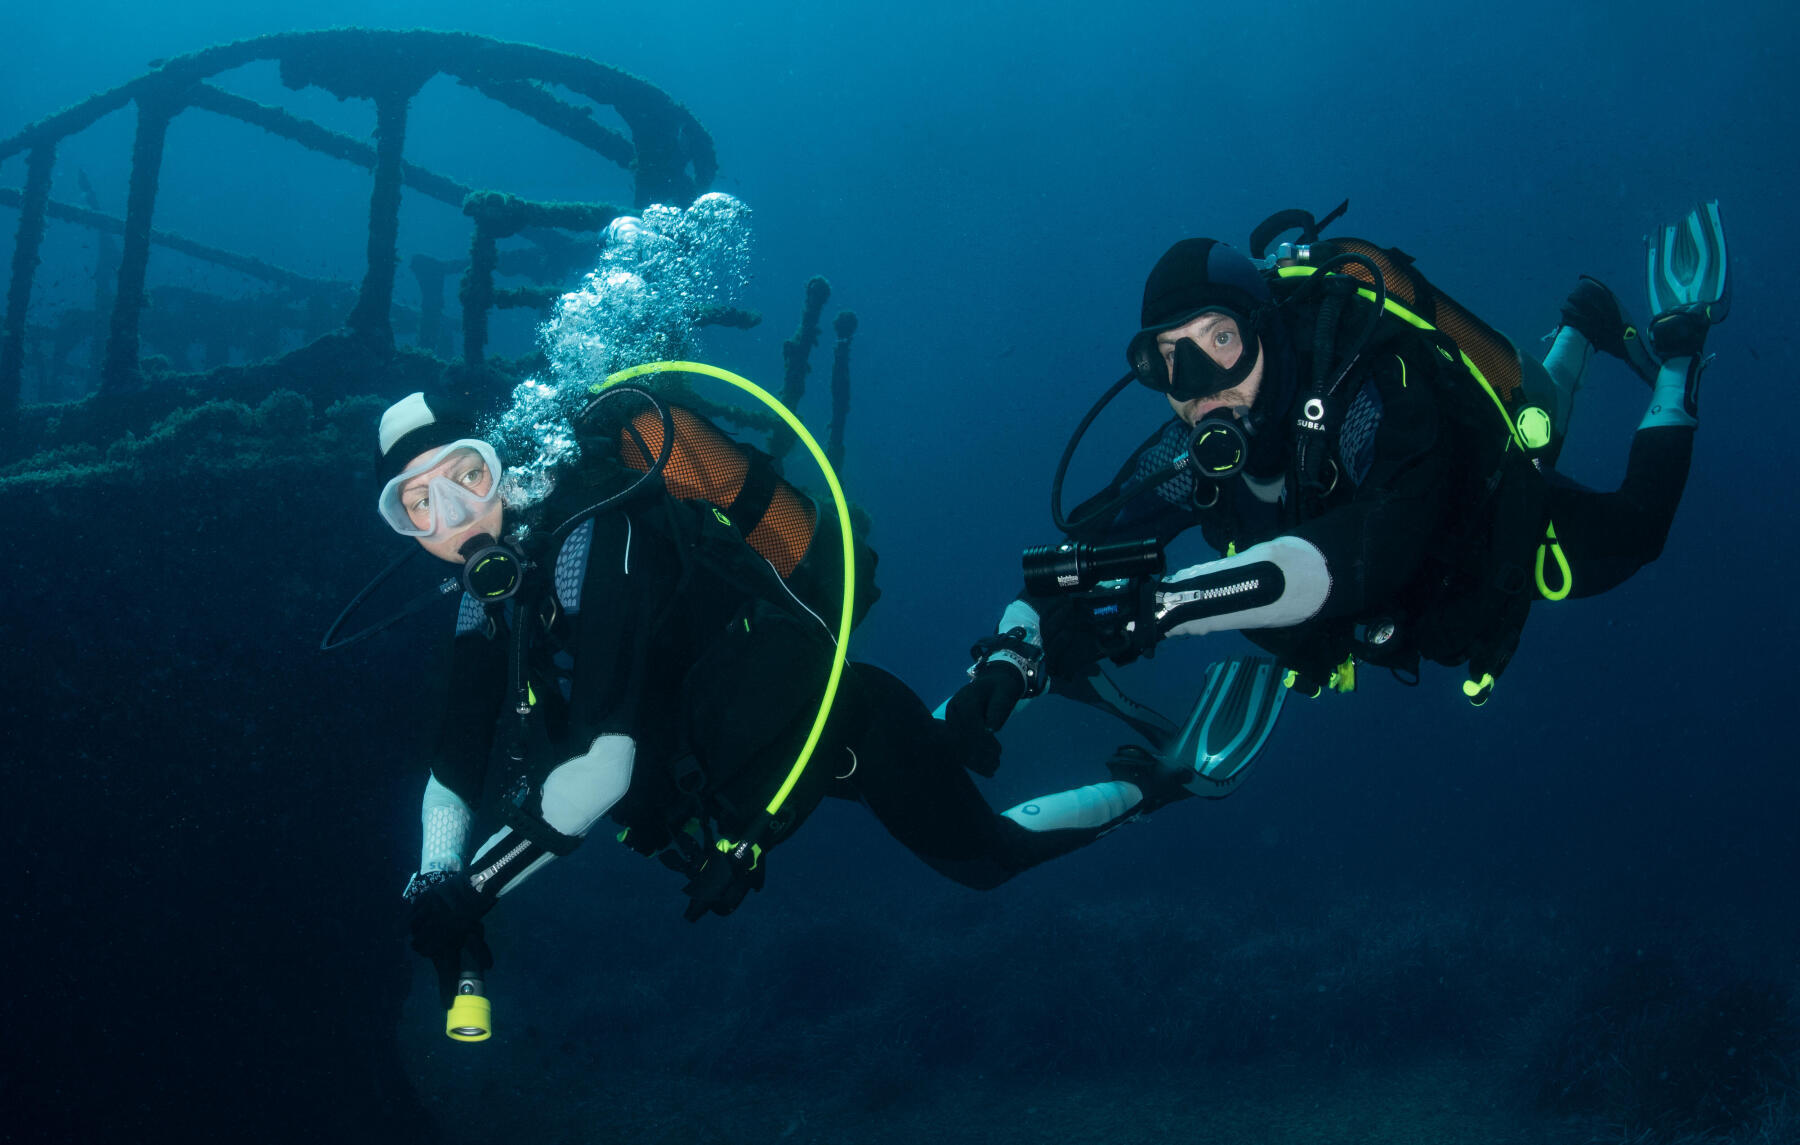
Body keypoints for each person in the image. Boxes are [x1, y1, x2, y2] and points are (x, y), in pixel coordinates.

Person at [376, 379, 1276, 1030]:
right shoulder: (489, 595)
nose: (452, 515)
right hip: (754, 759)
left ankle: (1160, 779)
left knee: (985, 856)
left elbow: (606, 764)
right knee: (944, 746)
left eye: (465, 475)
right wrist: (435, 875)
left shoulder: (590, 531)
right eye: (417, 504)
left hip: (831, 726)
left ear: (505, 462)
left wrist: (473, 890)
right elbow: (454, 757)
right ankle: (1007, 681)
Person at [945, 202, 1729, 809]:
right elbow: (1074, 556)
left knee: (1629, 521)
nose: (1199, 385)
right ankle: (1580, 324)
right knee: (1548, 413)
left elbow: (1370, 547)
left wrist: (1166, 607)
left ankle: (1678, 348)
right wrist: (1011, 659)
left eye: (1219, 341)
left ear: (1264, 329)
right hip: (1385, 620)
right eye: (1167, 360)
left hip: (1484, 528)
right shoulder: (1187, 454)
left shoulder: (1358, 383)